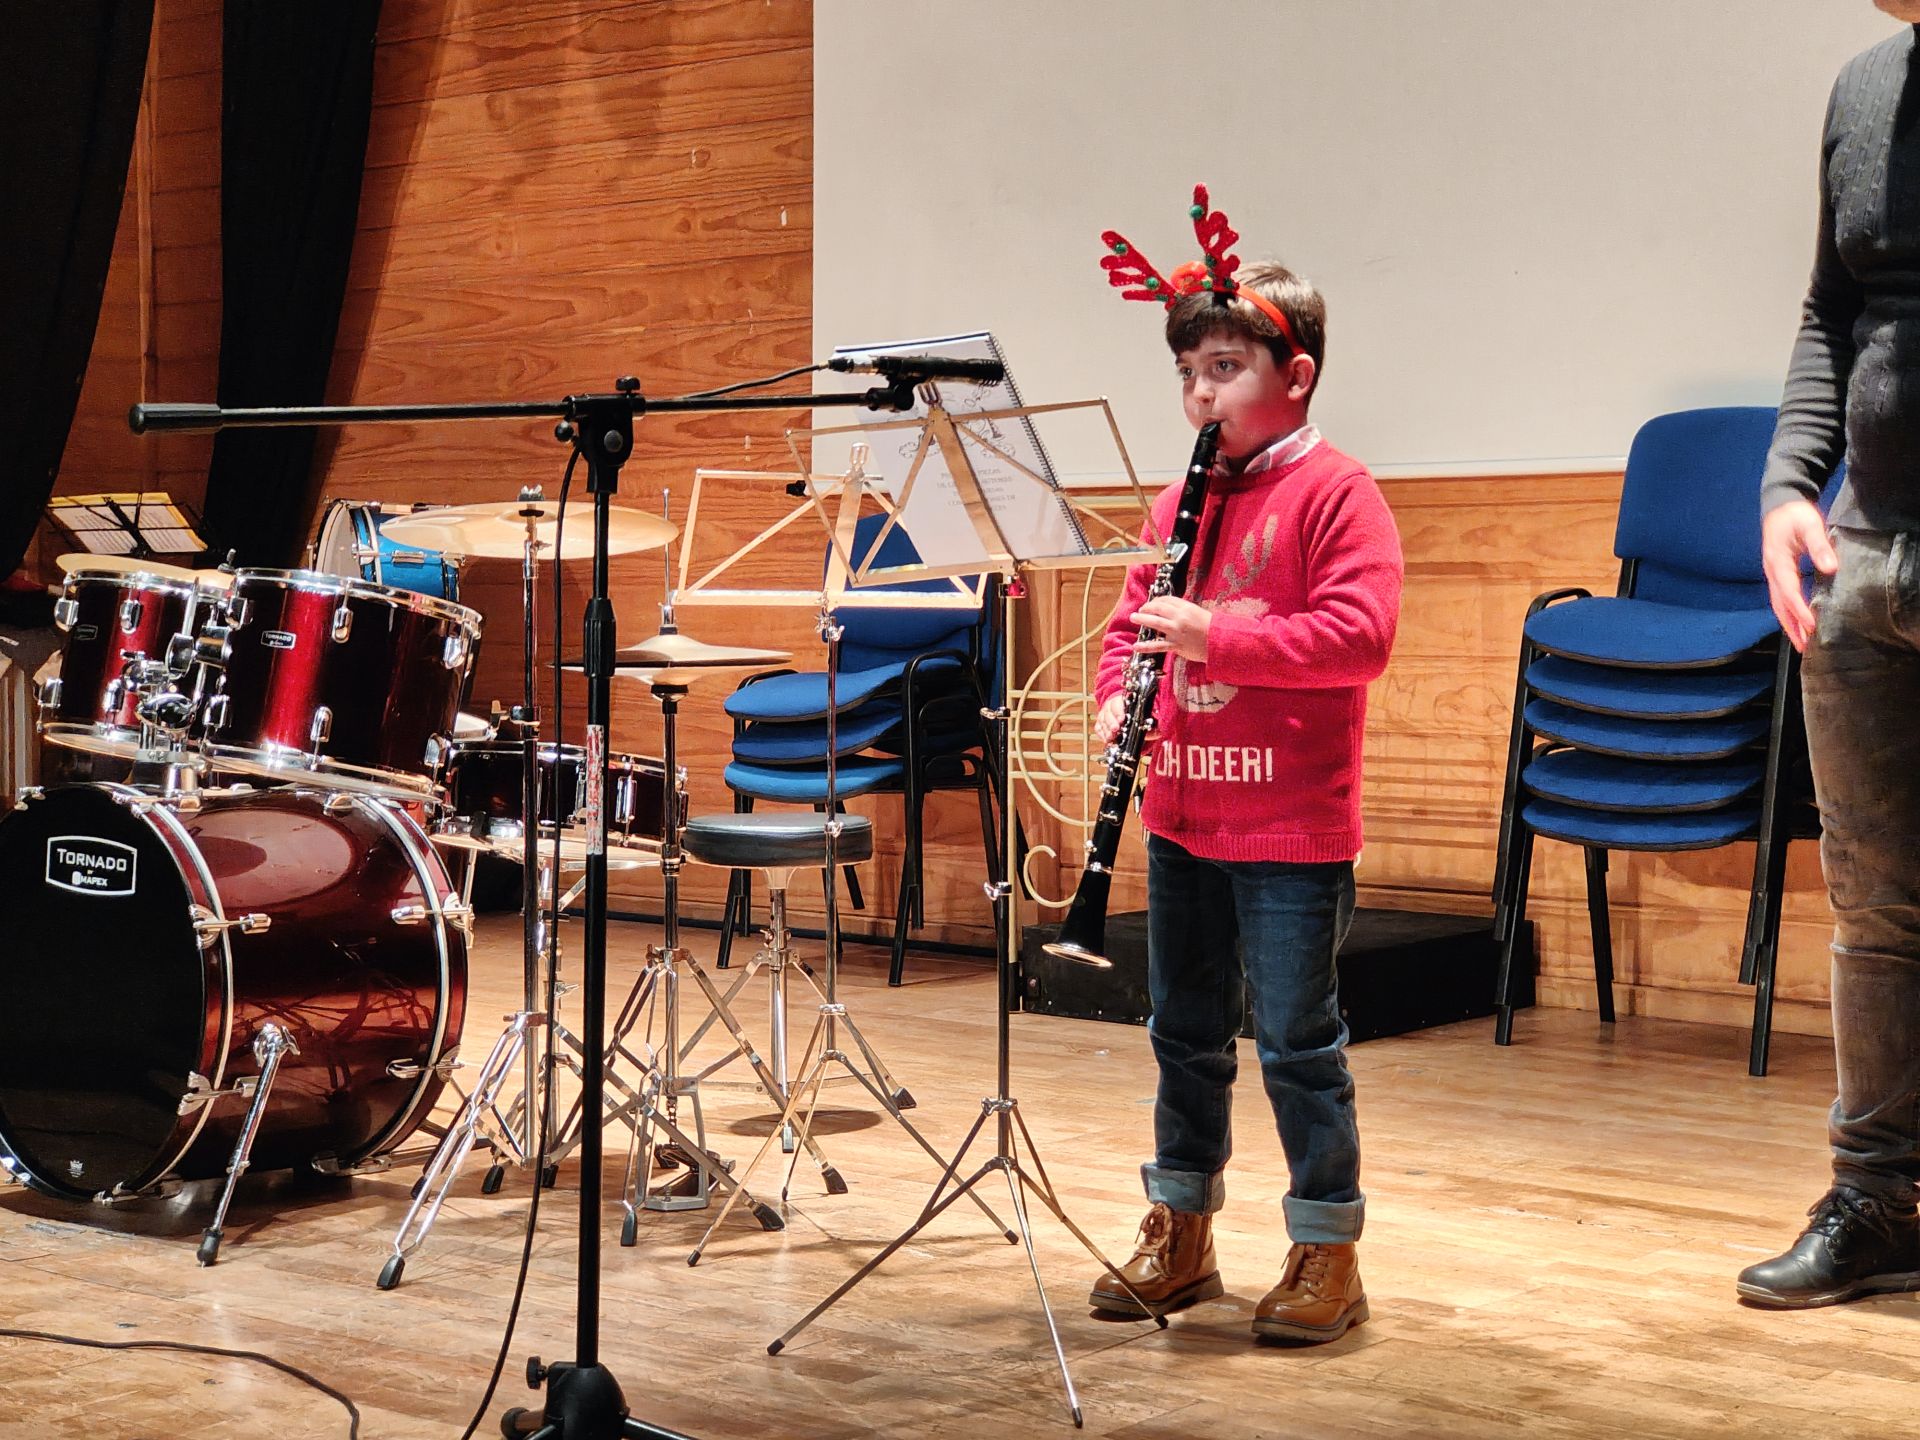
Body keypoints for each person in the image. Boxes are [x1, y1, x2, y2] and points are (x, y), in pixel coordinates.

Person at [1084, 194, 1403, 1343]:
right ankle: (1183, 1232)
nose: (1200, 395)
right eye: (1187, 373)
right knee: (1182, 1031)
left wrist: (1225, 639)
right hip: (1182, 812)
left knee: (1300, 1043)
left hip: (1289, 828)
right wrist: (1124, 690)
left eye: (1224, 367)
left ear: (1296, 372)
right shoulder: (1180, 497)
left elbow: (1358, 638)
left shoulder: (1336, 492)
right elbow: (1135, 623)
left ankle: (1326, 1246)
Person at [1740, 0, 1920, 1309]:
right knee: (1874, 902)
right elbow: (1832, 306)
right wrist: (1788, 486)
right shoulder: (1866, 86)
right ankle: (1877, 1195)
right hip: (1864, 553)